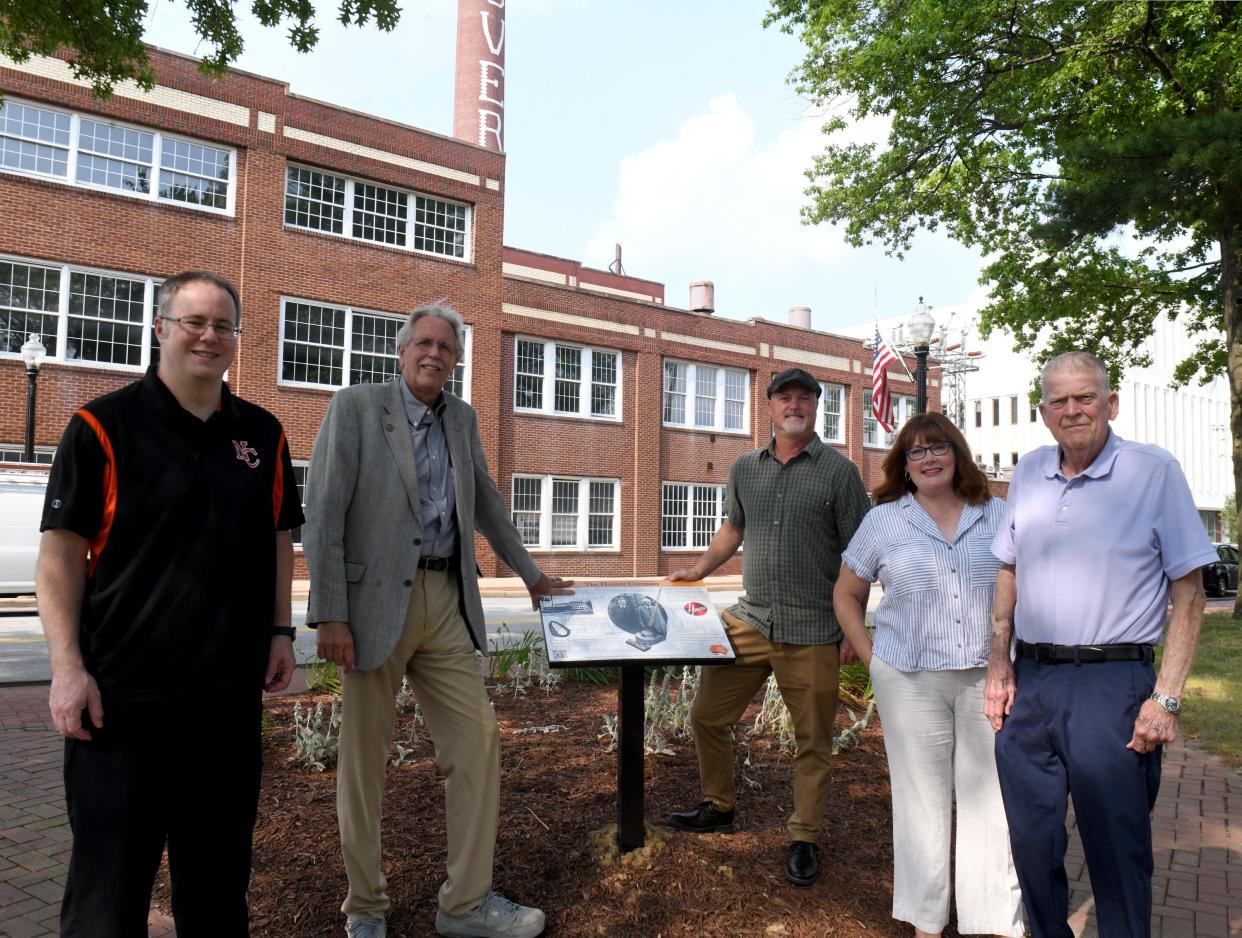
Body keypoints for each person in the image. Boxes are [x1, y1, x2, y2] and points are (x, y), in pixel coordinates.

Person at [37, 270, 302, 937]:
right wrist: (68, 669)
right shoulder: (101, 427)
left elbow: (278, 539)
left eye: (222, 325)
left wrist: (280, 630)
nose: (209, 336)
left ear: (237, 338)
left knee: (215, 900)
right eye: (194, 322)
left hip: (224, 708)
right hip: (121, 706)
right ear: (161, 329)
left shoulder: (263, 436)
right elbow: (59, 557)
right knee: (106, 903)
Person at [303, 302, 572, 938]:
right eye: (423, 343)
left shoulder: (462, 419)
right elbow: (325, 510)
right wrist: (330, 613)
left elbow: (485, 502)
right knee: (365, 761)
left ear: (455, 360)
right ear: (402, 351)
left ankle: (466, 907)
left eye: (446, 348)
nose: (434, 354)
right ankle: (365, 908)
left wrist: (530, 574)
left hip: (447, 599)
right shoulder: (358, 407)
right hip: (371, 609)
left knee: (476, 744)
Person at [985, 351, 1216, 938]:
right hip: (1031, 683)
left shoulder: (1153, 471)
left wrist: (1165, 699)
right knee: (1032, 846)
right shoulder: (1029, 471)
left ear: (1110, 403)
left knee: (1117, 851)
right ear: (1043, 413)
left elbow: (1188, 592)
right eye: (1059, 400)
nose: (1073, 409)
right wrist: (998, 666)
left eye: (1085, 397)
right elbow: (1008, 569)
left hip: (1112, 685)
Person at [663, 367, 871, 886]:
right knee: (708, 716)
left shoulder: (839, 474)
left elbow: (863, 553)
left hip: (814, 629)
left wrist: (852, 626)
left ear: (816, 407)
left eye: (804, 398)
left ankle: (804, 837)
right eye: (785, 398)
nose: (794, 405)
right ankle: (718, 804)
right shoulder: (744, 467)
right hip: (751, 619)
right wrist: (698, 570)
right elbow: (733, 528)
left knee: (812, 741)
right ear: (770, 406)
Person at [834, 412, 1024, 938]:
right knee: (921, 803)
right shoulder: (884, 520)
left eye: (938, 447)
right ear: (904, 464)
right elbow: (846, 595)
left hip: (986, 680)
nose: (928, 459)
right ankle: (925, 921)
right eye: (915, 452)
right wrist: (875, 660)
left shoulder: (1000, 514)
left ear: (957, 453)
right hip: (909, 679)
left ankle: (990, 923)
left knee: (991, 801)